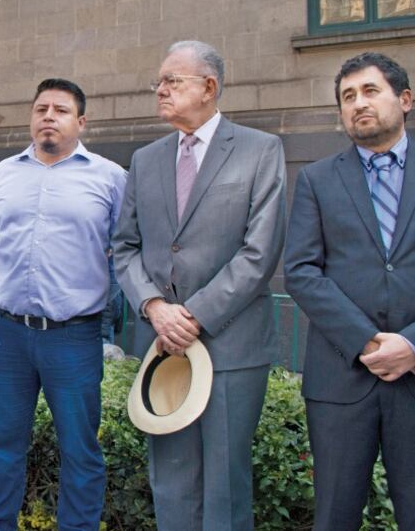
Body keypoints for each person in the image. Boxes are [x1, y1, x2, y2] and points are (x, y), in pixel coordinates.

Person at [112, 40, 286, 531]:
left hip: (230, 345)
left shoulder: (260, 149)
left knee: (225, 487)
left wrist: (192, 315)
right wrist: (153, 306)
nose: (160, 91)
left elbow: (261, 251)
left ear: (209, 87)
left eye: (172, 81)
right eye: (159, 82)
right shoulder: (145, 159)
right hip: (161, 347)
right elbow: (124, 247)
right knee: (171, 482)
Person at [0, 79, 126, 530]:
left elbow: (126, 250)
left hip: (74, 337)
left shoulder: (111, 178)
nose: (48, 116)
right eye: (41, 108)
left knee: (80, 451)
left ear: (81, 122)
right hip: (6, 336)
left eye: (61, 110)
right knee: (1, 447)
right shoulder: (1, 174)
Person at [284, 52, 415, 531]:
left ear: (405, 99)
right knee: (335, 516)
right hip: (341, 380)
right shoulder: (318, 179)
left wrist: (411, 344)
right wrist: (368, 341)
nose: (358, 103)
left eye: (370, 91)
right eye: (347, 96)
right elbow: (300, 271)